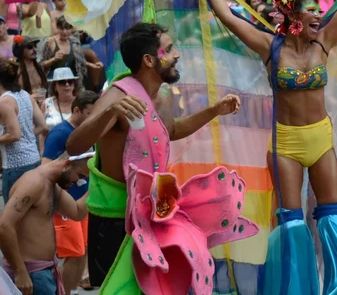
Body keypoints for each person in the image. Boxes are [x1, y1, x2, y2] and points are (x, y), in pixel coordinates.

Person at [202, 0, 337, 292]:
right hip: (285, 144)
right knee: (292, 224)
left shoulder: (324, 42)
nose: (319, 15)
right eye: (311, 10)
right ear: (292, 14)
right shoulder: (270, 46)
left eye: (319, 9)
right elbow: (228, 17)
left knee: (332, 216)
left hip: (321, 141)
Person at [64, 22, 244, 289]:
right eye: (168, 49)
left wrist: (214, 111)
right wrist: (111, 113)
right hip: (115, 220)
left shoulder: (161, 97)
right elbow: (74, 145)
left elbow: (171, 130)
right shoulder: (118, 95)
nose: (176, 54)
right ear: (149, 59)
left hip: (151, 215)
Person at [0, 152, 91, 295]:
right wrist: (20, 272)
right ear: (67, 164)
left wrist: (99, 184)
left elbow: (77, 212)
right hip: (31, 274)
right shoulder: (34, 182)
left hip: (42, 273)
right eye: (80, 176)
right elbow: (4, 226)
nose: (80, 182)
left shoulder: (52, 186)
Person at [41, 91, 99, 294]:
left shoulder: (88, 132)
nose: (95, 119)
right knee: (74, 254)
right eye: (90, 114)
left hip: (82, 201)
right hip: (66, 204)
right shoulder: (59, 133)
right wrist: (57, 203)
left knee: (81, 252)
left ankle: (70, 291)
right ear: (77, 110)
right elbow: (45, 168)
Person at [0, 58, 47, 204]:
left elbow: (14, 134)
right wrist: (27, 135)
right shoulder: (26, 95)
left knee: (13, 219)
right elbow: (42, 127)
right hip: (34, 161)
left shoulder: (4, 101)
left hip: (16, 167)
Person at [41, 67, 78, 138]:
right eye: (62, 82)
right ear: (55, 86)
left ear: (74, 85)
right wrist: (42, 149)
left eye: (70, 81)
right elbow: (43, 133)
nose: (67, 85)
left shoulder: (80, 102)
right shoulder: (46, 103)